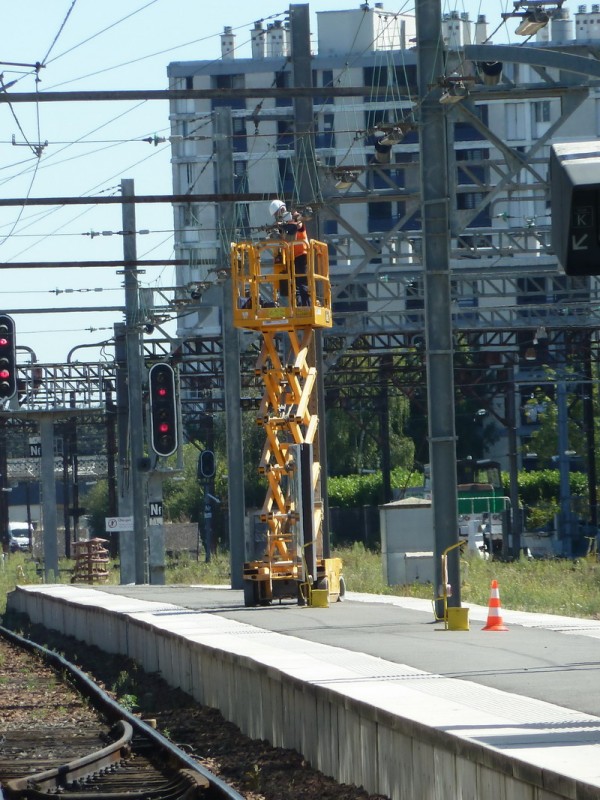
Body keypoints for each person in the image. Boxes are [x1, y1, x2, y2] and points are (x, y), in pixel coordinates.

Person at [268, 200, 311, 306]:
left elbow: (297, 226)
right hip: (290, 258)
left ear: (282, 210)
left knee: (302, 284)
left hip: (301, 255)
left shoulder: (295, 219)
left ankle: (306, 306)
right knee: (292, 285)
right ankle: (297, 306)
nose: (277, 217)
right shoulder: (282, 226)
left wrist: (290, 221)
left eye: (277, 214)